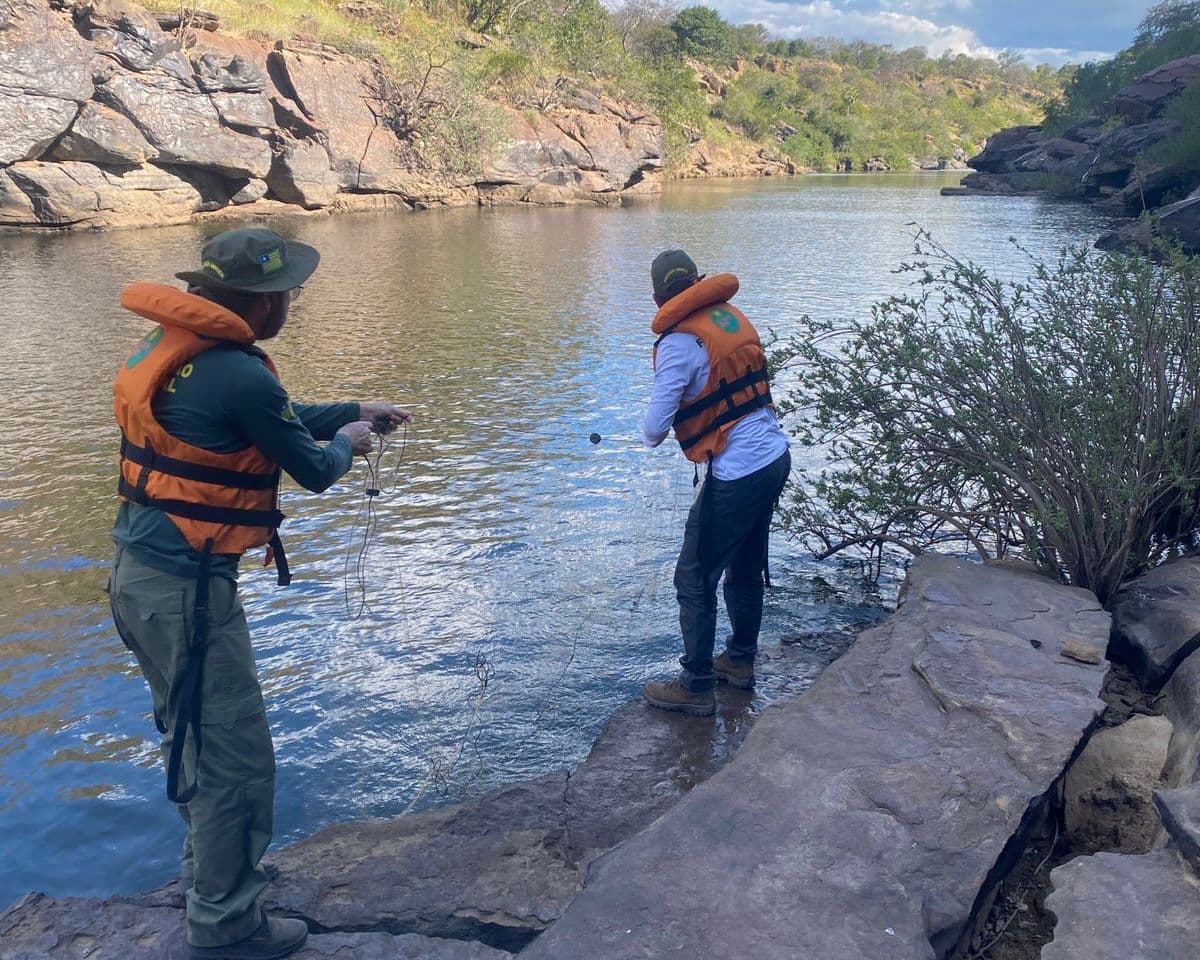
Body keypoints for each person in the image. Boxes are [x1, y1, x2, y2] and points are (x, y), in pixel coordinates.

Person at [107, 228, 410, 960]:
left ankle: (212, 877)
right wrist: (350, 442)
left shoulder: (178, 349)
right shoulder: (241, 374)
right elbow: (313, 467)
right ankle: (226, 926)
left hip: (139, 581)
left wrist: (353, 406)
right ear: (265, 301)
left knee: (193, 736)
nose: (292, 304)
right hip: (189, 595)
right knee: (235, 759)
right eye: (289, 293)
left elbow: (270, 419)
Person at [641, 249, 790, 717]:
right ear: (698, 282)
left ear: (659, 298)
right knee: (745, 564)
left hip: (740, 471)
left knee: (694, 576)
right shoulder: (728, 317)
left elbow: (653, 430)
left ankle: (697, 685)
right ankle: (740, 662)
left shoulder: (678, 343)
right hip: (775, 457)